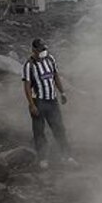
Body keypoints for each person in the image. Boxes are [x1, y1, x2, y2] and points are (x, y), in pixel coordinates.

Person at [22, 38, 75, 169]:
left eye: (44, 49)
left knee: (59, 128)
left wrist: (62, 93)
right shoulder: (29, 65)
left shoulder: (50, 59)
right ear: (34, 50)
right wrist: (31, 105)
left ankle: (66, 156)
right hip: (38, 101)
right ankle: (43, 158)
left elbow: (56, 76)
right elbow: (27, 86)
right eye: (40, 50)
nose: (43, 52)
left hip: (52, 100)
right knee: (39, 131)